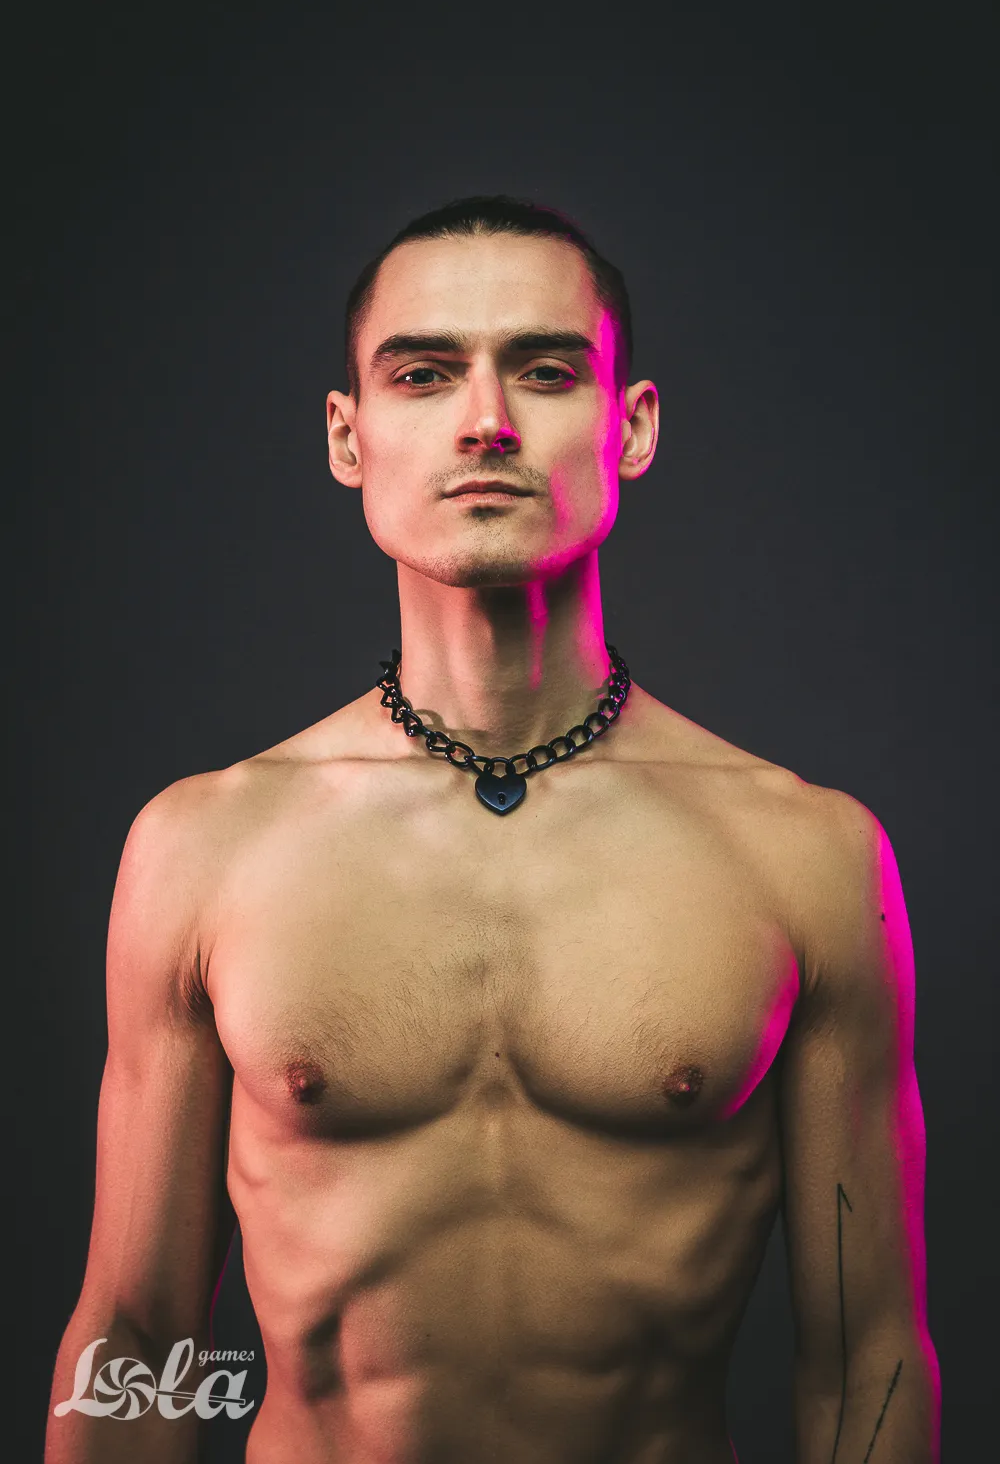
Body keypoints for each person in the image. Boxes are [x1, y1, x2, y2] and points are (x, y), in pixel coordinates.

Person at [45, 195, 940, 1464]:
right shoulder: (204, 846)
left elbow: (866, 1362)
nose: (486, 421)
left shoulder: (806, 855)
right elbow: (135, 1335)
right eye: (423, 373)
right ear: (349, 437)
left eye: (546, 371)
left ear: (630, 426)